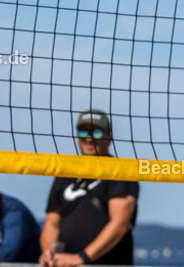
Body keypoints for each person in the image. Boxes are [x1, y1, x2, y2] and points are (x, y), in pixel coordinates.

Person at [39, 110, 138, 267]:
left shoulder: (121, 172)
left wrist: (81, 258)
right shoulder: (66, 173)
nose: (89, 138)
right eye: (83, 131)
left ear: (109, 137)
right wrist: (49, 254)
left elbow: (120, 224)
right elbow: (52, 223)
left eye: (97, 132)